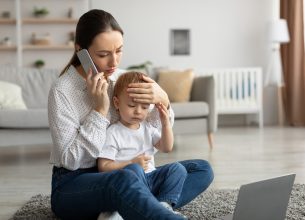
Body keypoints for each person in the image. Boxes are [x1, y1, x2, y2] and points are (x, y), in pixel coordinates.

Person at [48, 9, 214, 220]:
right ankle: (155, 212)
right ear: (81, 51)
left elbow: (153, 130)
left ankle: (125, 207)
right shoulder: (62, 90)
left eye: (119, 51)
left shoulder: (122, 79)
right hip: (74, 184)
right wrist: (99, 110)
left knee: (201, 169)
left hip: (128, 173)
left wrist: (163, 99)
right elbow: (70, 160)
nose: (114, 62)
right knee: (126, 179)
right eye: (103, 54)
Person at [98, 71, 187, 215]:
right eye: (132, 105)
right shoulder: (113, 132)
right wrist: (131, 163)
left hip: (151, 178)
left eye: (145, 107)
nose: (138, 111)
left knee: (178, 169)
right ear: (116, 103)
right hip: (130, 182)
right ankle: (130, 207)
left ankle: (163, 205)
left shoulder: (148, 128)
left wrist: (165, 125)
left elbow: (167, 147)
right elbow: (103, 166)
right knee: (135, 170)